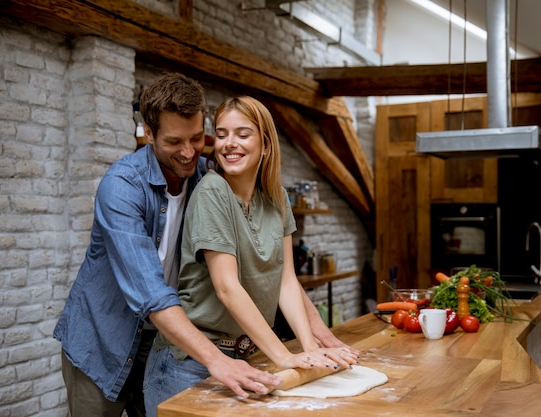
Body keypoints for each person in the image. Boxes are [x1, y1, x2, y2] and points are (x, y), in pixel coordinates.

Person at [53, 73, 353, 417]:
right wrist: (218, 360)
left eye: (197, 138)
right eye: (174, 141)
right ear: (148, 134)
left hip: (170, 341)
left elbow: (280, 275)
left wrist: (317, 337)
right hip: (105, 339)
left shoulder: (204, 177)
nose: (187, 152)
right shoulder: (122, 188)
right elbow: (152, 293)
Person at [143, 96, 360, 414]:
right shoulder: (212, 192)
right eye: (221, 134)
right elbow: (227, 288)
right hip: (190, 364)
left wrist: (311, 348)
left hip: (246, 357)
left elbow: (286, 280)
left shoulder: (277, 198)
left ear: (266, 145)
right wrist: (284, 356)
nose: (229, 144)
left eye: (242, 134)